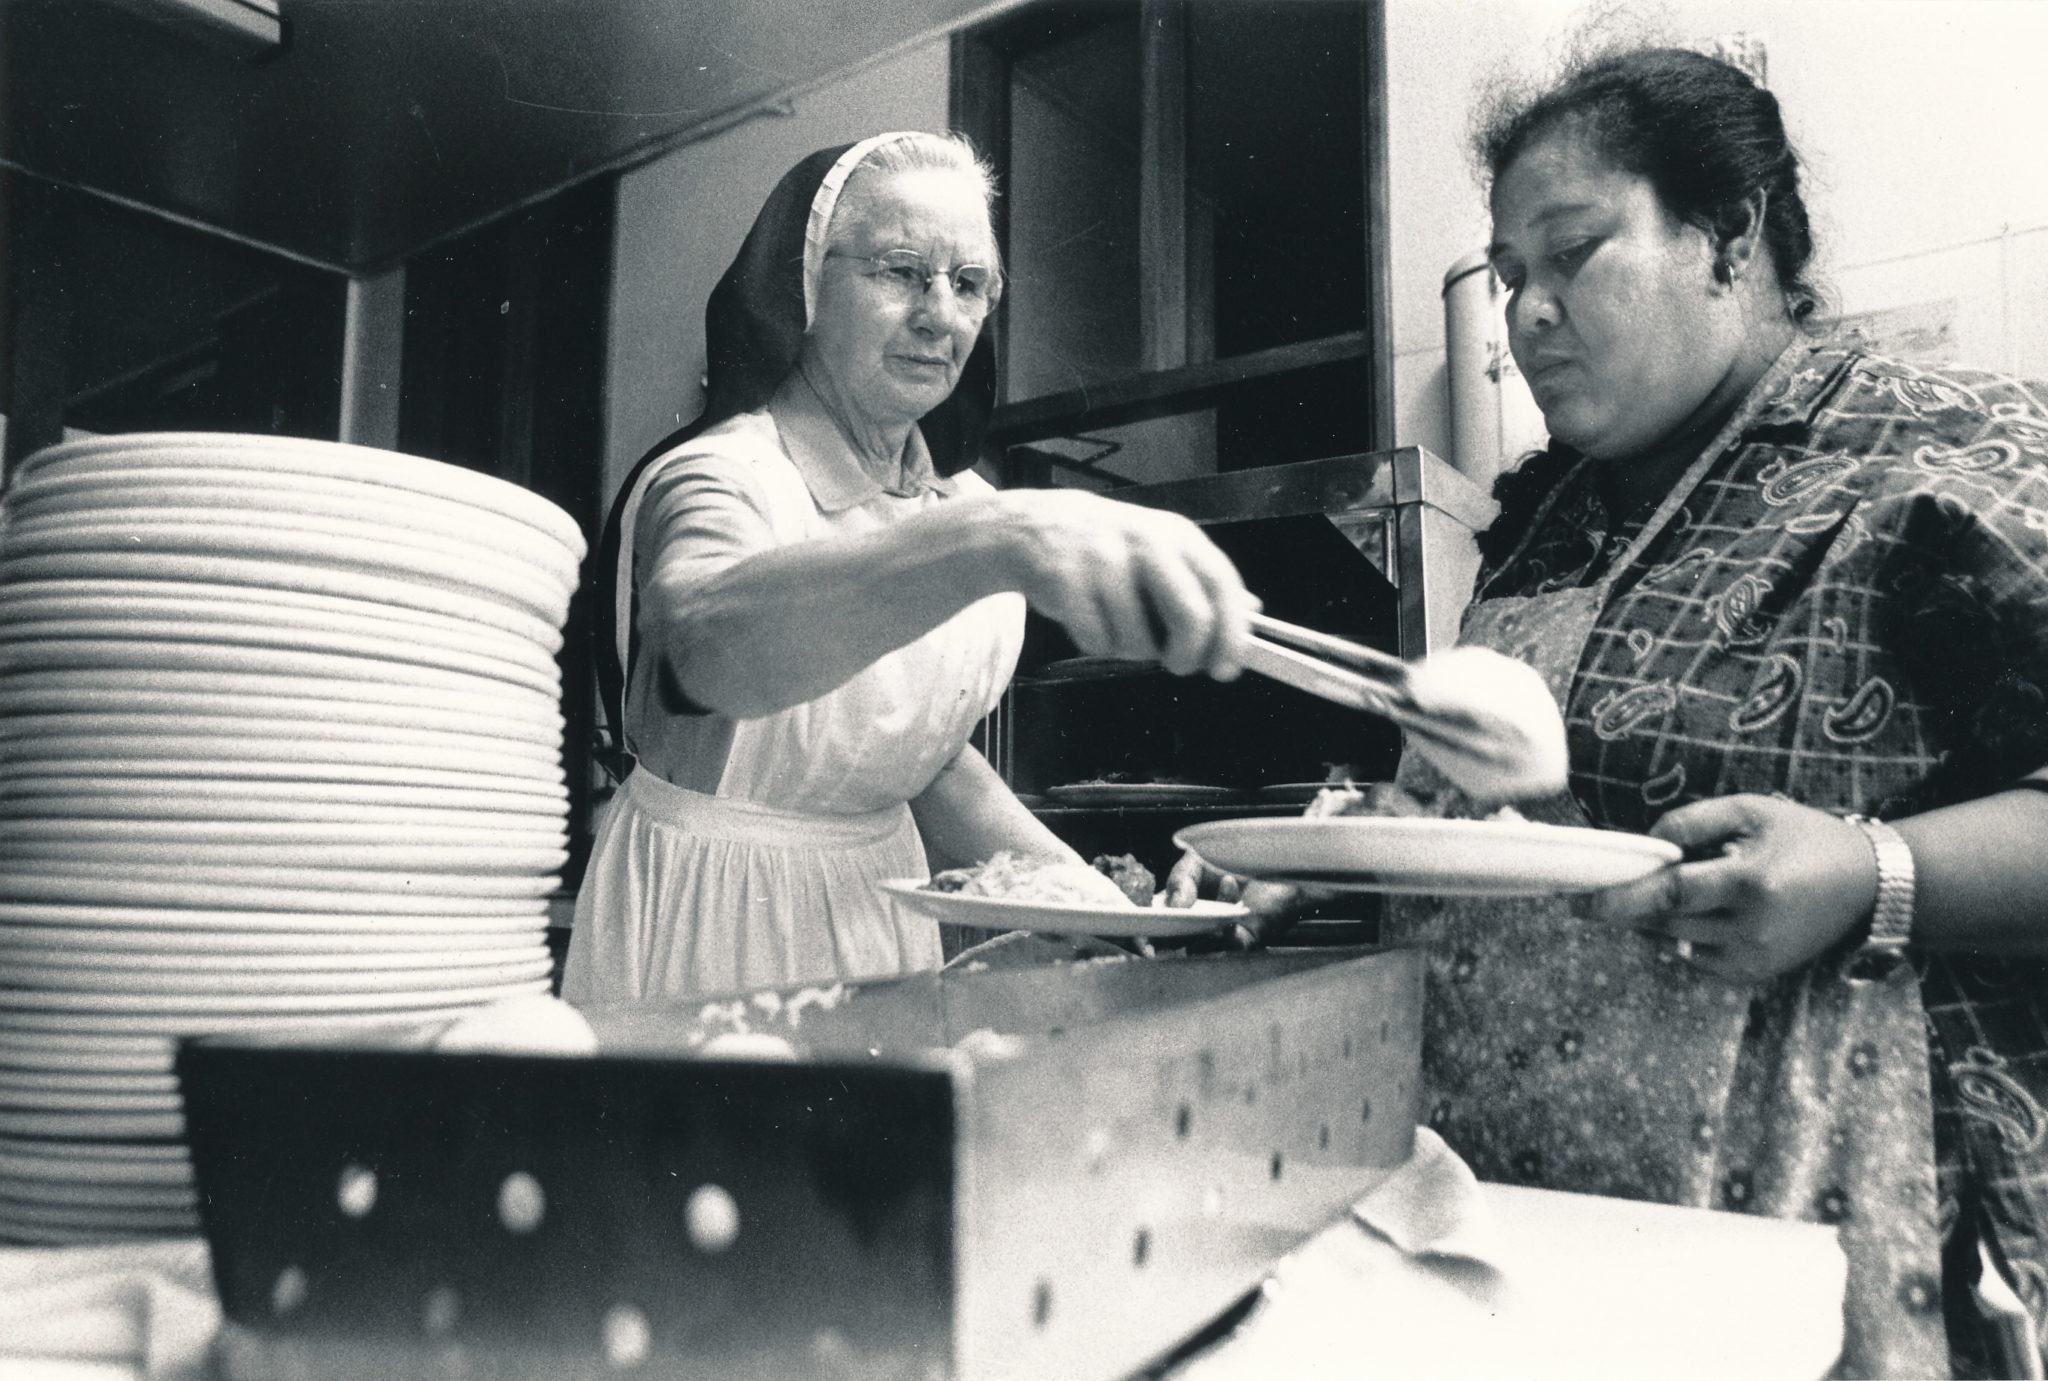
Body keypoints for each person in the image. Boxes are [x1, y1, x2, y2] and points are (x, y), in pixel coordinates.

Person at [1180, 47, 2048, 1379]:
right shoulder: (1546, 512)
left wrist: (1880, 870)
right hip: (1534, 1230)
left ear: (1731, 235)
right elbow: (1507, 814)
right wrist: (1359, 850)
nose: (1526, 312)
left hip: (1840, 1231)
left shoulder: (1941, 452)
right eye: (1510, 274)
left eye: (1572, 254)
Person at [563, 132, 1256, 1005]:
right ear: (806, 283)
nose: (941, 314)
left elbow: (914, 760)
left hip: (880, 916)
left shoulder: (962, 501)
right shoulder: (718, 474)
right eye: (899, 271)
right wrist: (1001, 539)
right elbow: (706, 644)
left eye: (969, 284)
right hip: (713, 917)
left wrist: (1097, 903)